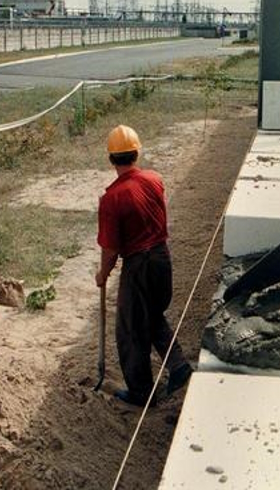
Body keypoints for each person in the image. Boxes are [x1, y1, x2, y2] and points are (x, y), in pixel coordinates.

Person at [95, 124, 192, 406]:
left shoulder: (112, 199)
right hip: (162, 258)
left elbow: (111, 249)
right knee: (150, 315)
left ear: (111, 158)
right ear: (137, 152)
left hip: (139, 265)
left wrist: (102, 275)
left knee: (130, 329)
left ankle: (140, 393)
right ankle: (178, 365)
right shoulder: (155, 179)